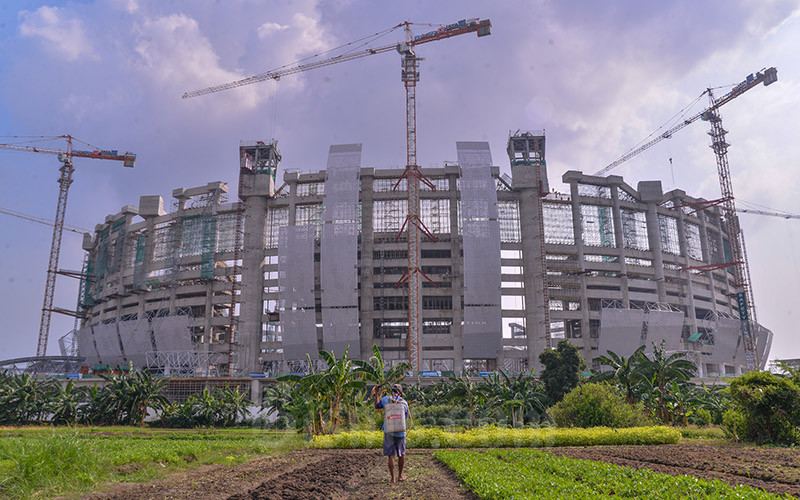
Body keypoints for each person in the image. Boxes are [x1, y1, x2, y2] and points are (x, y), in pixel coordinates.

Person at [374, 383, 412, 483]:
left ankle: (393, 478)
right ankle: (400, 476)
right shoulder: (404, 403)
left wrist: (377, 393)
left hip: (389, 431)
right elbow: (405, 418)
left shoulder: (386, 399)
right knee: (401, 454)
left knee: (391, 455)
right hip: (400, 433)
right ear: (400, 392)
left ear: (392, 391)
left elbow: (377, 406)